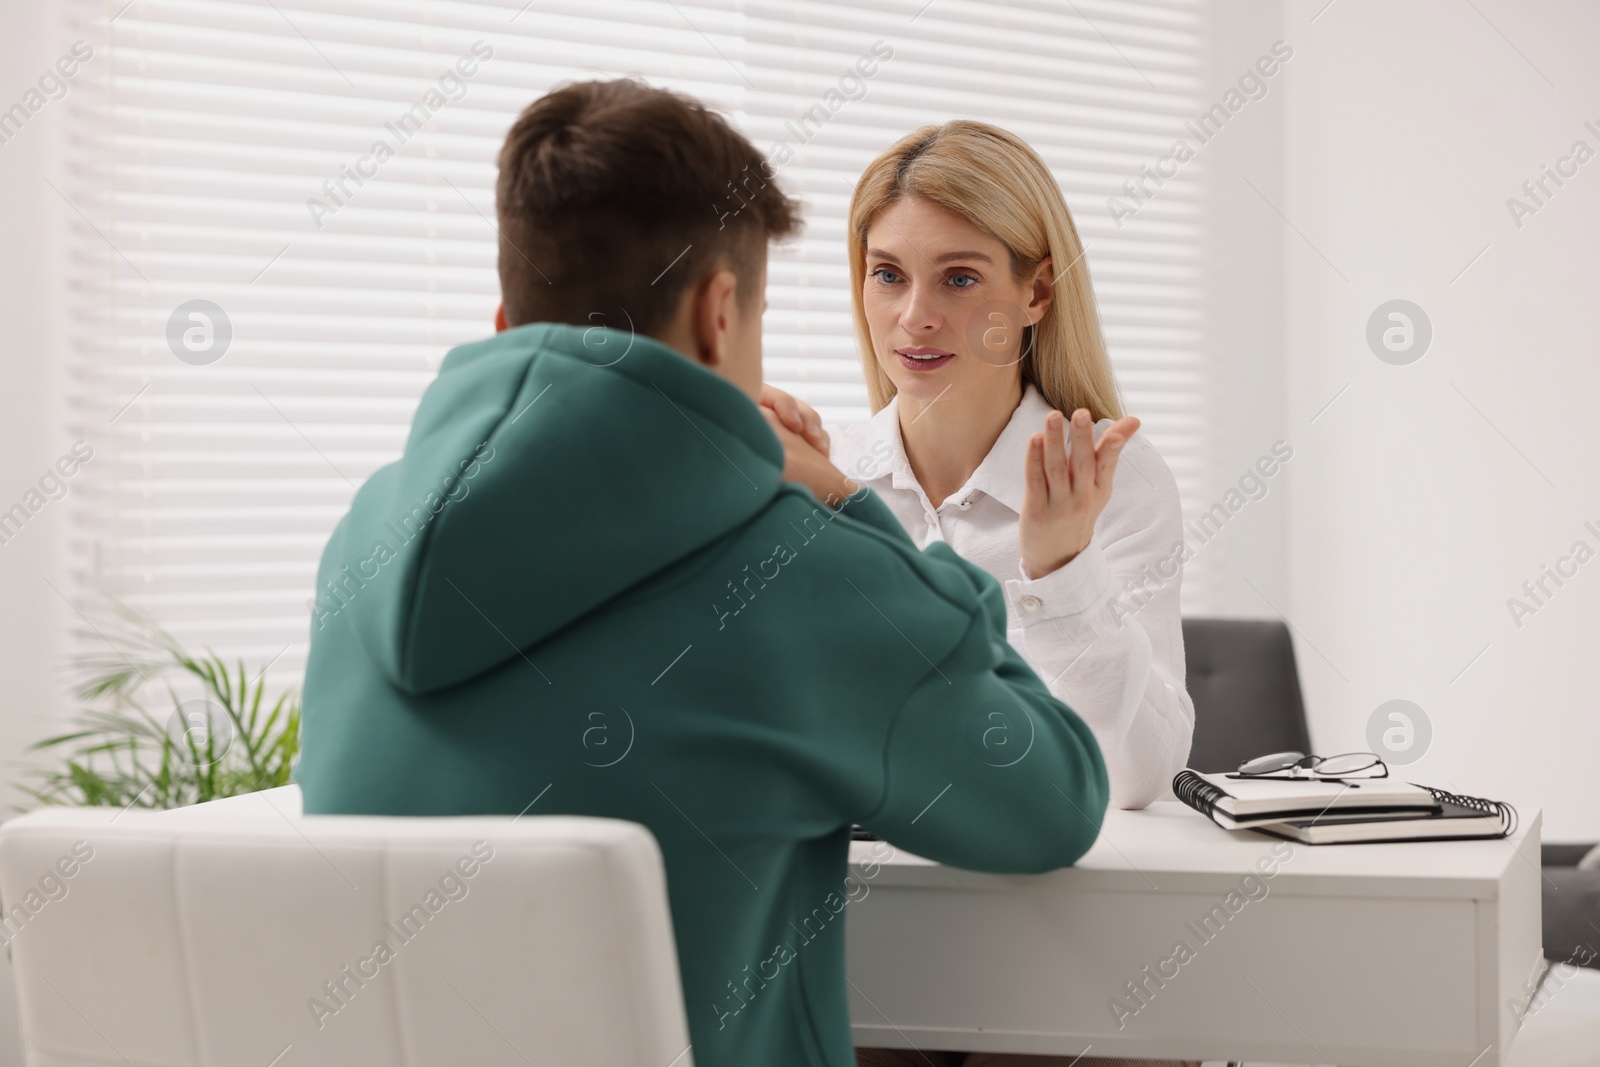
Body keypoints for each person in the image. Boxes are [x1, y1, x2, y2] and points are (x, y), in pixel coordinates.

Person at [295, 79, 1111, 1067]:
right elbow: (1053, 799)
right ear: (720, 313)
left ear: (507, 316)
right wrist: (856, 513)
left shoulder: (360, 542)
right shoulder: (798, 571)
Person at [760, 121, 1197, 1067]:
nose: (915, 316)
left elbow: (1133, 777)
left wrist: (1061, 568)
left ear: (1035, 290)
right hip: (875, 931)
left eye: (958, 278)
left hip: (1064, 939)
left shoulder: (1115, 476)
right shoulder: (821, 476)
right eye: (888, 274)